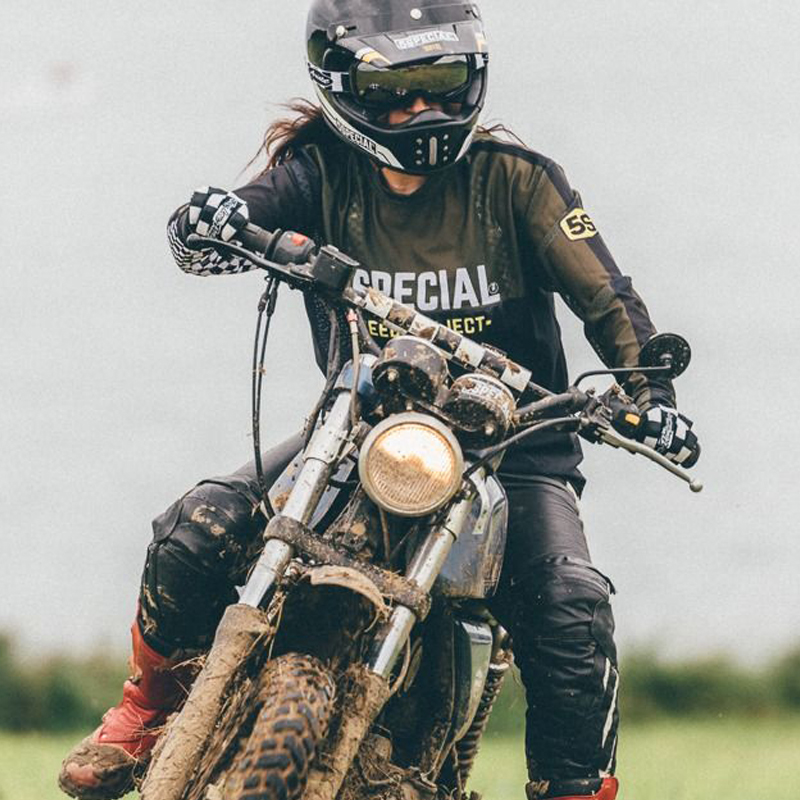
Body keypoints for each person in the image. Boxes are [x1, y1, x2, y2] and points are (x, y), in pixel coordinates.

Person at [59, 2, 701, 799]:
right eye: (397, 91)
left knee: (572, 606)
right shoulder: (318, 170)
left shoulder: (518, 179)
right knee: (198, 529)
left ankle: (577, 790)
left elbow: (610, 302)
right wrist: (211, 219)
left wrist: (650, 396)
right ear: (344, 89)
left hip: (513, 451)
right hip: (358, 433)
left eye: (439, 84)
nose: (422, 110)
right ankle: (145, 713)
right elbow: (245, 213)